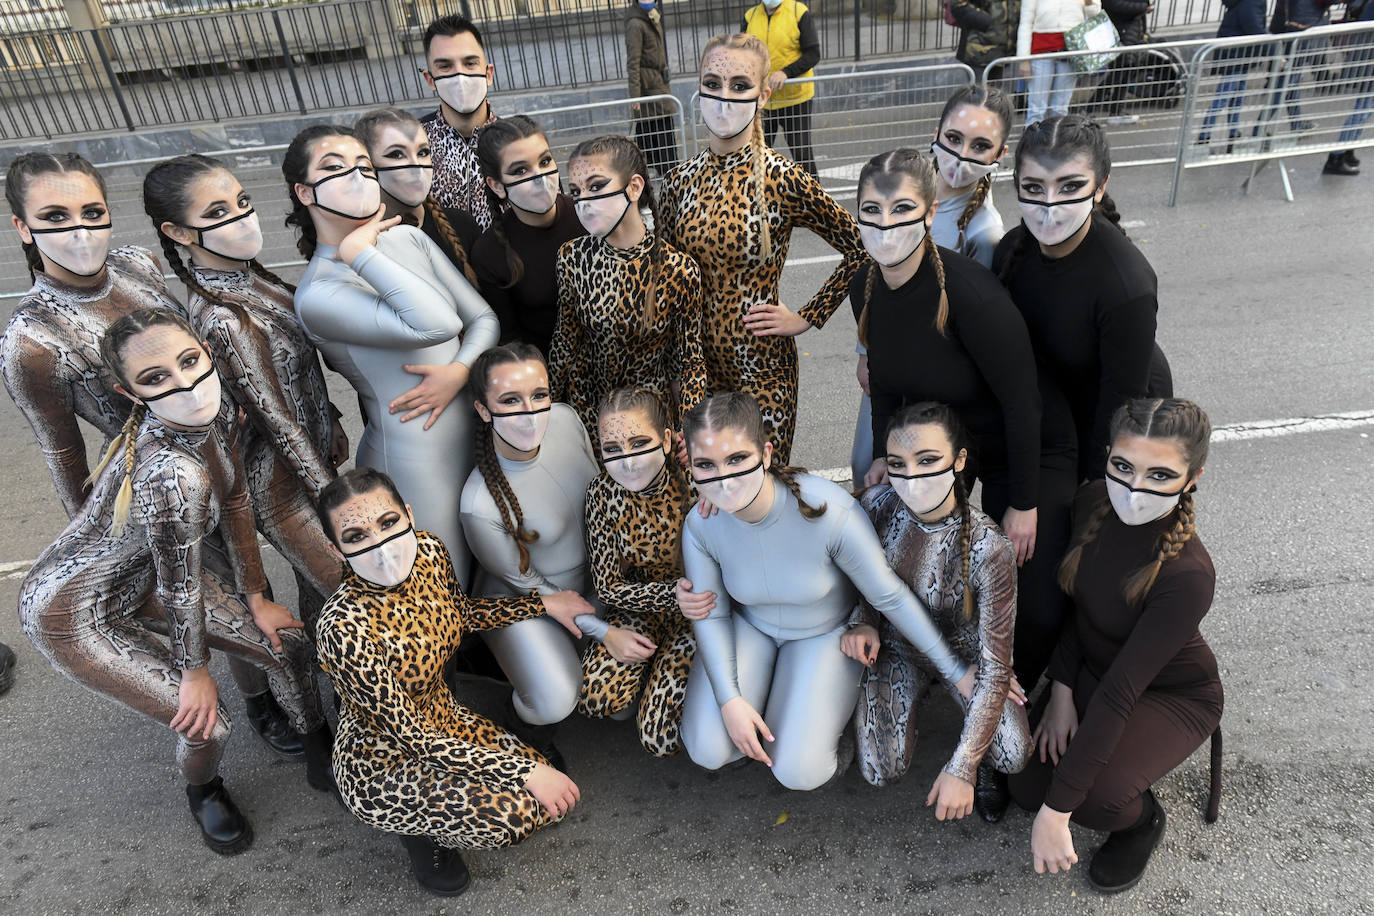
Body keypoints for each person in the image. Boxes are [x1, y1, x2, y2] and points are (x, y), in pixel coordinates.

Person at [2, 151, 301, 756]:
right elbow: (63, 455)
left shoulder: (137, 266)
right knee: (197, 590)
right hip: (148, 490)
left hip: (214, 456)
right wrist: (114, 547)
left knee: (246, 593)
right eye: (55, 216)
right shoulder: (31, 341)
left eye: (93, 212)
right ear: (21, 227)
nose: (80, 231)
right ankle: (232, 719)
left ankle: (274, 702)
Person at [18, 308, 331, 855]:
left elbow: (235, 499)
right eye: (156, 377)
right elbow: (180, 586)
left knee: (286, 644)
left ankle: (319, 752)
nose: (185, 384)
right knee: (208, 725)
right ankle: (204, 790)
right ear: (130, 392)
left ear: (206, 353)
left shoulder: (214, 417)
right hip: (74, 612)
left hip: (142, 581)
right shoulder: (172, 474)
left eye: (189, 361)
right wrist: (196, 671)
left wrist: (257, 598)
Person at [852, 147, 1078, 691]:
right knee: (918, 555)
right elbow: (884, 380)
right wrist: (885, 452)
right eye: (872, 211)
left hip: (1024, 448)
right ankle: (941, 660)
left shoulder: (970, 295)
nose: (886, 226)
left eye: (902, 209)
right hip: (952, 448)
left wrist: (1023, 503)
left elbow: (1024, 403)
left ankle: (1019, 692)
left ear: (931, 213)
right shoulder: (866, 283)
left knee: (1036, 599)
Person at [674, 393, 972, 791]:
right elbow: (710, 613)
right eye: (706, 465)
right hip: (752, 628)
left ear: (765, 453)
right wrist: (729, 701)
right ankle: (764, 706)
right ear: (690, 467)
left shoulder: (827, 509)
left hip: (824, 635)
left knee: (799, 772)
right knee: (708, 749)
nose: (724, 480)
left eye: (736, 459)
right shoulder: (700, 524)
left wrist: (955, 671)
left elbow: (890, 596)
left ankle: (831, 731)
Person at [314, 467, 589, 896]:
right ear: (336, 548)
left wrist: (542, 604)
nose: (380, 547)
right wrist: (525, 769)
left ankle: (441, 814)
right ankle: (421, 834)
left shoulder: (428, 552)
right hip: (383, 759)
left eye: (388, 523)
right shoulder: (342, 628)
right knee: (517, 811)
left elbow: (459, 617)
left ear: (408, 513)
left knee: (539, 797)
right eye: (355, 537)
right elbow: (413, 738)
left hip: (442, 715)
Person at [1011, 398, 1222, 895]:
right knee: (1025, 783)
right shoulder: (1090, 503)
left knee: (1092, 801)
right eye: (1122, 466)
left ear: (1193, 478)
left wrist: (1057, 813)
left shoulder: (1188, 575)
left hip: (1170, 692)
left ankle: (1142, 820)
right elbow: (1075, 610)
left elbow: (1121, 693)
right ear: (1106, 454)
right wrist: (1060, 692)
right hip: (1092, 666)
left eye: (1160, 475)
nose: (1134, 488)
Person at [286, 124, 499, 592]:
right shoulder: (318, 291)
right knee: (442, 591)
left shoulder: (409, 240)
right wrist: (359, 252)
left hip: (479, 433)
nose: (356, 177)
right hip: (415, 457)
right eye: (334, 168)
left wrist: (458, 373)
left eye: (363, 165)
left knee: (495, 572)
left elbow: (484, 319)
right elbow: (437, 322)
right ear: (304, 192)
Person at [142, 154, 345, 639]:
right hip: (281, 486)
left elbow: (300, 373)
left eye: (242, 201)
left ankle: (334, 702)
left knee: (320, 600)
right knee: (351, 594)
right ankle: (317, 713)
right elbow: (277, 421)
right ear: (179, 233)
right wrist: (333, 498)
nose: (241, 216)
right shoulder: (222, 316)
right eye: (216, 213)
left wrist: (331, 417)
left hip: (311, 462)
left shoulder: (252, 277)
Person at [660, 33, 865, 466]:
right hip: (697, 369)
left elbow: (861, 248)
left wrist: (806, 317)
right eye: (712, 83)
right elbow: (666, 282)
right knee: (709, 489)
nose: (723, 98)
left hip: (763, 366)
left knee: (765, 483)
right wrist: (674, 373)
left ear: (764, 93)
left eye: (739, 85)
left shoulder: (783, 177)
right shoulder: (678, 182)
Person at [844, 403, 1032, 821]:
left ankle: (980, 759)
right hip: (896, 648)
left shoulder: (990, 548)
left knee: (1013, 751)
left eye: (927, 460)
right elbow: (854, 568)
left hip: (966, 659)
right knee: (879, 768)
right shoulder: (877, 505)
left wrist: (962, 768)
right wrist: (865, 621)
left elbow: (995, 668)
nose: (911, 477)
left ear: (959, 460)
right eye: (898, 464)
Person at [851, 83, 1013, 483]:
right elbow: (867, 272)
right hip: (887, 364)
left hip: (939, 387)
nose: (961, 155)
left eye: (980, 146)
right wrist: (863, 350)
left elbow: (979, 328)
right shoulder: (903, 184)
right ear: (937, 133)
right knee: (866, 467)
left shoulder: (983, 230)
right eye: (954, 138)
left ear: (999, 154)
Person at [994, 114, 1169, 484]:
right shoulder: (1011, 250)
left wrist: (1096, 484)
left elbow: (1121, 407)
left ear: (1100, 186)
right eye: (1034, 187)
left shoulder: (1127, 286)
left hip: (1116, 418)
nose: (1050, 204)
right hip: (1056, 413)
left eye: (1070, 186)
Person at [459, 344, 608, 765]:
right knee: (556, 699)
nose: (529, 413)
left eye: (538, 395)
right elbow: (528, 586)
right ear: (483, 410)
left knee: (622, 697)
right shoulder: (480, 503)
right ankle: (522, 731)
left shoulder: (565, 419)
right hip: (524, 600)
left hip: (592, 583)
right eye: (509, 400)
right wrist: (602, 629)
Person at [549, 134, 708, 441]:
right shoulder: (572, 257)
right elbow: (564, 341)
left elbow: (689, 360)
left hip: (651, 419)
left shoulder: (678, 269)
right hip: (591, 414)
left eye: (596, 186)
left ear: (634, 187)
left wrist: (691, 428)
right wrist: (549, 409)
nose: (583, 200)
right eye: (575, 191)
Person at [578, 388, 697, 757]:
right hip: (638, 609)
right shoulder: (600, 493)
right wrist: (665, 596)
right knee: (597, 697)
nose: (627, 462)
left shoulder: (696, 482)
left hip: (697, 614)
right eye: (612, 449)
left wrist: (685, 602)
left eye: (639, 442)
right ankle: (646, 681)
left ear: (665, 441)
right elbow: (608, 586)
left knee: (658, 739)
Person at [471, 115, 588, 358]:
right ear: (496, 185)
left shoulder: (590, 215)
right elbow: (509, 337)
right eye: (520, 170)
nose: (540, 177)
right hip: (545, 373)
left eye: (545, 161)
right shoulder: (489, 252)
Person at [355, 107, 483, 272]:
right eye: (396, 154)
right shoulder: (362, 243)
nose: (416, 166)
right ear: (366, 166)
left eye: (423, 152)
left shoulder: (462, 224)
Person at [419, 15, 500, 226]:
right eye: (445, 66)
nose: (460, 75)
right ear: (430, 80)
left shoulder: (515, 140)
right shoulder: (413, 146)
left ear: (488, 73)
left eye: (470, 63)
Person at [741, 0, 821, 175]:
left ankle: (815, 200)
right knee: (758, 156)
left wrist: (786, 73)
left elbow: (813, 54)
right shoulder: (751, 16)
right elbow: (743, 55)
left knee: (802, 154)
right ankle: (760, 200)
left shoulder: (798, 12)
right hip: (763, 102)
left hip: (795, 99)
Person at [1195, 0, 1271, 154]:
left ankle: (1232, 134)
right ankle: (1204, 136)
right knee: (1224, 97)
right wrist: (1275, 49)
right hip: (1237, 55)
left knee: (1236, 96)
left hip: (1238, 54)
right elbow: (1254, 28)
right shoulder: (1251, 3)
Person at [1017, 0, 1102, 125]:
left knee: (1060, 108)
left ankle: (1056, 140)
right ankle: (1032, 141)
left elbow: (1095, 17)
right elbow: (1025, 22)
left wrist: (1089, 3)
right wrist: (1023, 59)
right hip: (1040, 50)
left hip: (1071, 50)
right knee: (1036, 107)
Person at [625, 0, 681, 177]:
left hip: (657, 83)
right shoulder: (635, 23)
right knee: (657, 129)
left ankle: (656, 168)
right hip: (648, 87)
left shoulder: (650, 16)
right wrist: (635, 96)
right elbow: (633, 63)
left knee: (652, 130)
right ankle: (668, 170)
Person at [1322, 0, 1374, 176]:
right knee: (1362, 111)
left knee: (1364, 110)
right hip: (1369, 63)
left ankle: (1347, 148)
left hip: (1367, 61)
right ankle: (1337, 156)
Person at [1263, 0, 1330, 135]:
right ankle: (1259, 128)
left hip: (1290, 32)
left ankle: (1296, 123)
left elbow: (1280, 14)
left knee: (1290, 83)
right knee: (1286, 85)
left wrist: (1277, 32)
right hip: (1302, 33)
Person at [1088, 0, 1155, 122]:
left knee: (1125, 73)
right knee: (1117, 74)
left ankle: (1116, 111)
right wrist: (1143, 7)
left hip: (1133, 33)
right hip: (1122, 32)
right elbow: (1115, 5)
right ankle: (1090, 110)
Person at [953, 0, 1022, 81]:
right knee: (980, 91)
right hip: (979, 49)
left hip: (1003, 50)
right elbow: (956, 3)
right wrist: (985, 21)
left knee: (995, 91)